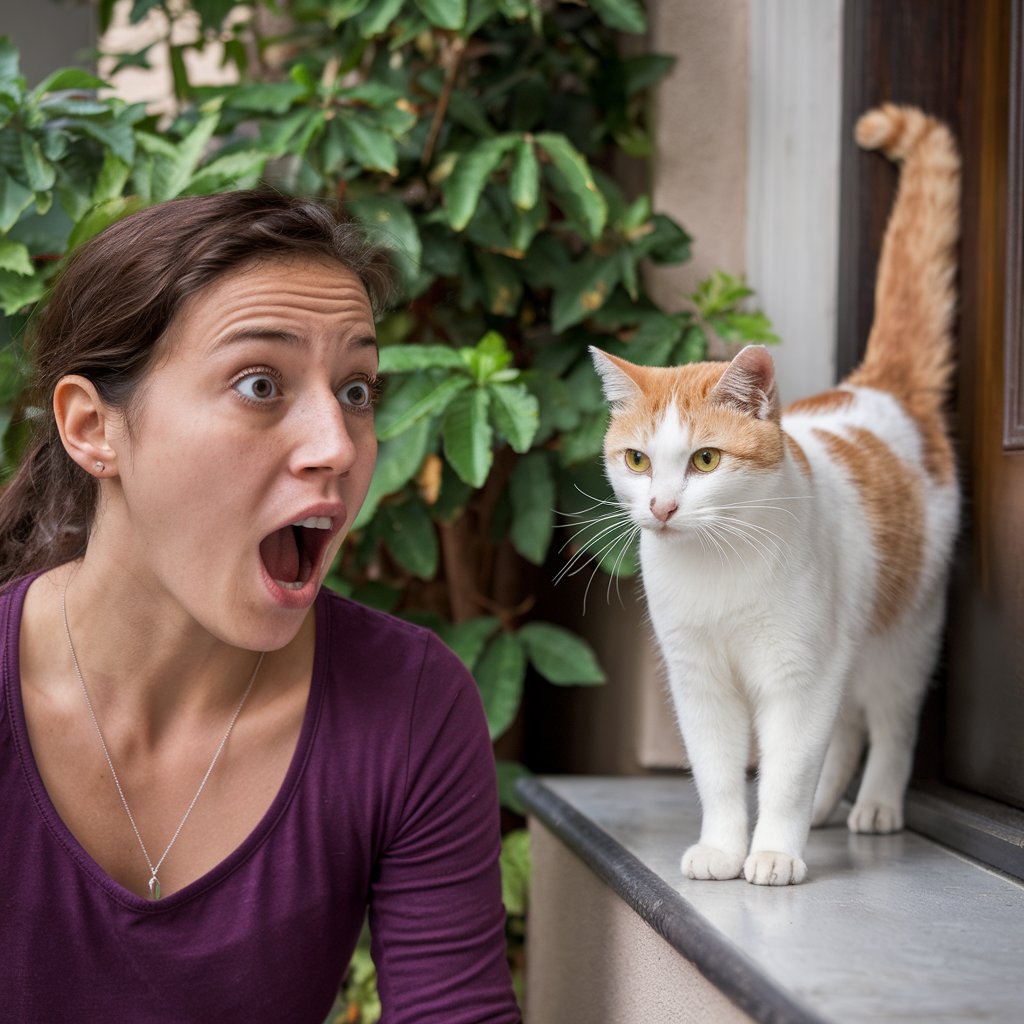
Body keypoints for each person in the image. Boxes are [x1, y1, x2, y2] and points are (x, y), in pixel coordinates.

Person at [0, 190, 520, 1023]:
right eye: (258, 384)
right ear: (93, 428)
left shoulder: (409, 705)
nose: (338, 447)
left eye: (356, 390)